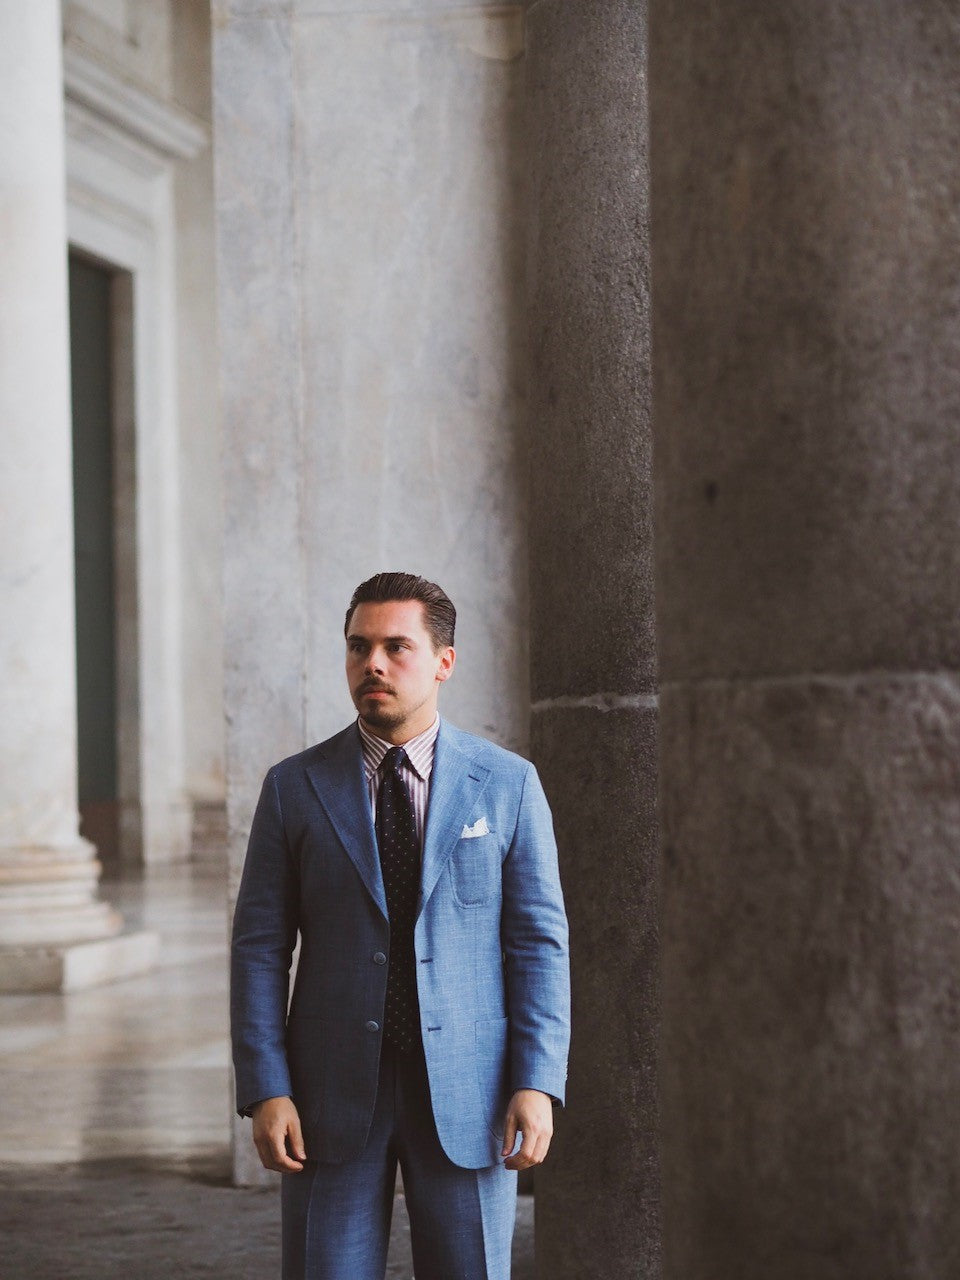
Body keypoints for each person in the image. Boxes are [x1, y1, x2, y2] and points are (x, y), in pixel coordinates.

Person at [231, 571, 570, 1280]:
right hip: (327, 1093)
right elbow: (260, 948)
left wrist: (536, 1081)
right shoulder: (294, 787)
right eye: (358, 648)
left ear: (444, 661)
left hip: (470, 1090)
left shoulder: (507, 784)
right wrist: (266, 1086)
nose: (372, 665)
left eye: (395, 647)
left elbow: (538, 944)